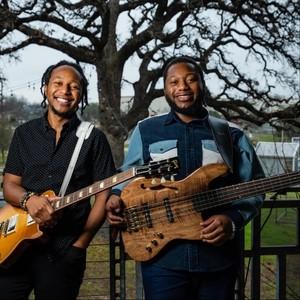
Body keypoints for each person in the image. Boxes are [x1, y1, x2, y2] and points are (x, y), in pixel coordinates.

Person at [106, 56, 265, 300]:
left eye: (191, 80)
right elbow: (127, 176)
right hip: (163, 260)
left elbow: (254, 187)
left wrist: (231, 219)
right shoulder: (146, 130)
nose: (183, 87)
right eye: (174, 81)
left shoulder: (231, 134)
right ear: (166, 88)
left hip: (218, 260)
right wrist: (116, 197)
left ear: (202, 84)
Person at [0, 60, 115, 300]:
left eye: (74, 86)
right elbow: (9, 185)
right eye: (58, 83)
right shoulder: (24, 133)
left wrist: (81, 244)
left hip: (64, 251)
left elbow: (104, 194)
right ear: (45, 88)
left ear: (81, 95)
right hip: (16, 245)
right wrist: (28, 199)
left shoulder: (94, 139)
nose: (65, 91)